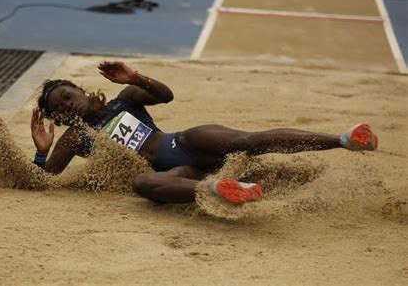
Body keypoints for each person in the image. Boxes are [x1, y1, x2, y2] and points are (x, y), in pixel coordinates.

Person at [31, 61, 378, 204]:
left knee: (248, 142)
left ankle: (344, 140)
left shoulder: (123, 101)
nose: (69, 105)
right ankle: (220, 189)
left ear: (78, 88)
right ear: (58, 118)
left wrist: (136, 79)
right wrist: (42, 151)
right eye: (60, 108)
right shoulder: (75, 139)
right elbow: (44, 179)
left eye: (67, 95)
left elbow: (165, 96)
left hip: (183, 141)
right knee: (142, 184)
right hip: (173, 173)